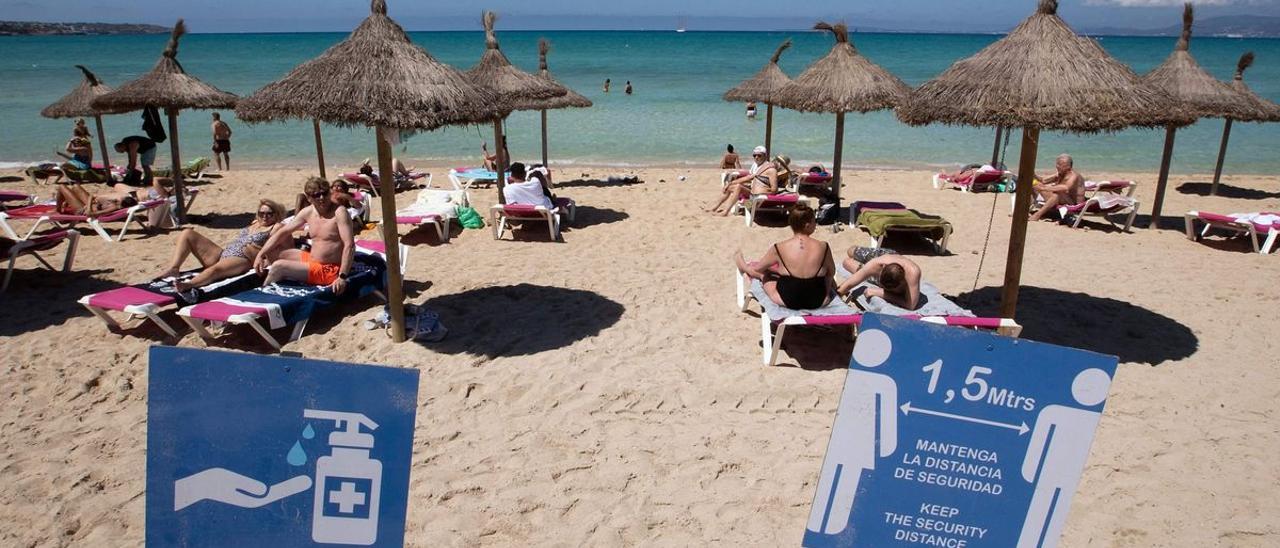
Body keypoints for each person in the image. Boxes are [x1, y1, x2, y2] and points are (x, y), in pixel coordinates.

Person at [157, 199, 287, 293]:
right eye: (261, 213)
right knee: (187, 233)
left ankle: (189, 284)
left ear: (276, 214)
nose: (264, 216)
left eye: (269, 213)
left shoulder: (277, 227)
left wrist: (266, 261)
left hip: (242, 259)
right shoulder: (255, 222)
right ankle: (174, 268)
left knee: (215, 270)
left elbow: (286, 249)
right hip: (223, 254)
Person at [255, 177, 355, 294]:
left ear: (330, 192)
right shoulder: (308, 212)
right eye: (316, 195)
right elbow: (283, 232)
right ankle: (285, 276)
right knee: (271, 251)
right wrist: (260, 254)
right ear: (309, 198)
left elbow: (350, 245)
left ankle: (263, 294)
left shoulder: (339, 212)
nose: (322, 198)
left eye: (325, 193)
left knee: (278, 266)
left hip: (330, 269)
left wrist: (342, 277)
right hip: (313, 260)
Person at [734, 204, 836, 310]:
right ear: (807, 225)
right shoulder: (824, 246)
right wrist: (826, 290)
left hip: (787, 300)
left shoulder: (779, 247)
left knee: (763, 275)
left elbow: (759, 268)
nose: (816, 225)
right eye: (814, 221)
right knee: (828, 278)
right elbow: (831, 272)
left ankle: (743, 266)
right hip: (819, 300)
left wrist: (772, 270)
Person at [836, 251, 922, 311]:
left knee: (848, 263)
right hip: (884, 255)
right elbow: (847, 285)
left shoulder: (913, 273)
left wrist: (880, 292)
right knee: (850, 252)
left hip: (894, 260)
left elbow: (910, 305)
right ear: (882, 269)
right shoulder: (876, 265)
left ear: (903, 282)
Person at [708, 146, 777, 215]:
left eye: (759, 155)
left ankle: (725, 212)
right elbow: (748, 178)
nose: (756, 157)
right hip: (752, 195)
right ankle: (714, 208)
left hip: (759, 201)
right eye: (754, 155)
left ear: (765, 156)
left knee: (738, 187)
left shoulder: (771, 170)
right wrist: (730, 183)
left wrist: (762, 194)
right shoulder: (756, 165)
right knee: (729, 188)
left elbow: (774, 190)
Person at [1029, 153, 1085, 222]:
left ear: (1067, 166)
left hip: (1073, 203)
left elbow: (1066, 187)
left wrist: (1044, 188)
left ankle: (1037, 215)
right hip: (1062, 199)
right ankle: (1026, 209)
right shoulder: (1060, 174)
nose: (1056, 166)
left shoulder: (1074, 176)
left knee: (1057, 194)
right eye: (1057, 164)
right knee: (1032, 185)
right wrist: (1033, 174)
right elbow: (1043, 180)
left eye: (1059, 164)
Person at [55, 183, 137, 216]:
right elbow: (94, 198)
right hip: (88, 205)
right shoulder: (116, 204)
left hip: (83, 210)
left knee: (61, 187)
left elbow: (90, 214)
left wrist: (89, 204)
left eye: (122, 199)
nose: (119, 198)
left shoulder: (114, 207)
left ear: (122, 202)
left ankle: (58, 210)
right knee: (76, 186)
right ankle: (66, 202)